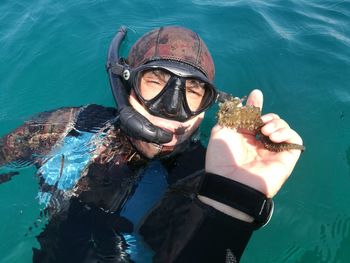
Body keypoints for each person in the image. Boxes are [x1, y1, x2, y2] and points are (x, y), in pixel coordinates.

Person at [0, 26, 303, 263]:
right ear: (127, 87)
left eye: (193, 92)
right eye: (155, 83)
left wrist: (234, 199)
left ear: (206, 108)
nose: (171, 109)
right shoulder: (69, 127)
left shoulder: (203, 181)